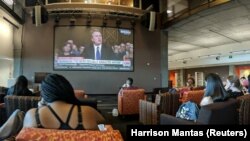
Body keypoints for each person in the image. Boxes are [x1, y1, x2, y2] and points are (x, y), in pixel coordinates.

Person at [23, 74, 105, 130]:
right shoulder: (88, 111)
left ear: (44, 95)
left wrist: (40, 108)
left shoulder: (32, 115)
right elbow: (103, 122)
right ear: (68, 89)